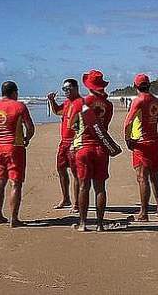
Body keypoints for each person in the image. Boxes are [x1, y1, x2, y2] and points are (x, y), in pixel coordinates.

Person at [0, 81, 36, 228]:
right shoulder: (19, 106)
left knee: (0, 181)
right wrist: (27, 138)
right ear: (14, 92)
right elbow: (30, 127)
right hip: (14, 147)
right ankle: (14, 218)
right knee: (15, 183)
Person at [123, 74, 158, 221]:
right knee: (154, 177)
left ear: (135, 86)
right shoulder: (156, 101)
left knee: (142, 178)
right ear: (149, 85)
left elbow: (128, 123)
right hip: (154, 142)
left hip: (142, 144)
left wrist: (127, 139)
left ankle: (144, 213)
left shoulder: (138, 101)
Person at [71, 70, 113, 232]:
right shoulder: (108, 105)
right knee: (100, 188)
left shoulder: (82, 103)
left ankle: (82, 223)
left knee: (83, 186)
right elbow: (106, 125)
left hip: (84, 147)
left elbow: (72, 125)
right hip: (101, 148)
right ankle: (100, 224)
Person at [46, 79, 83, 211]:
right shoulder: (67, 103)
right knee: (61, 169)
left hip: (75, 142)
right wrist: (51, 100)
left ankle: (77, 203)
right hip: (64, 142)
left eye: (67, 89)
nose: (66, 91)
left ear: (75, 88)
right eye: (64, 89)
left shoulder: (81, 103)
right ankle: (66, 198)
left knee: (75, 172)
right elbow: (57, 111)